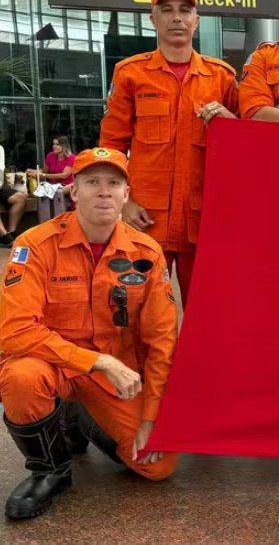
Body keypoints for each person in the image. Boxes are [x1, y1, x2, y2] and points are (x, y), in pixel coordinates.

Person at [0, 148, 178, 520]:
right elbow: (13, 331)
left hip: (113, 376)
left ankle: (80, 416)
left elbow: (161, 339)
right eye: (92, 182)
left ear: (126, 194)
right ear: (73, 191)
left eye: (114, 183)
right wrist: (97, 362)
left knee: (158, 467)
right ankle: (50, 471)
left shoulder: (146, 252)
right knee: (20, 377)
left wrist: (151, 416)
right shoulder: (34, 245)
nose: (103, 191)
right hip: (55, 365)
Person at [99, 0, 239, 306]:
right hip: (145, 221)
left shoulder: (223, 78)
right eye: (167, 10)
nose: (177, 18)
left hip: (204, 222)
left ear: (196, 20)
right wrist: (124, 202)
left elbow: (246, 149)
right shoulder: (130, 74)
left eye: (185, 10)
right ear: (154, 20)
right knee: (138, 310)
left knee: (206, 311)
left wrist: (232, 123)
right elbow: (111, 146)